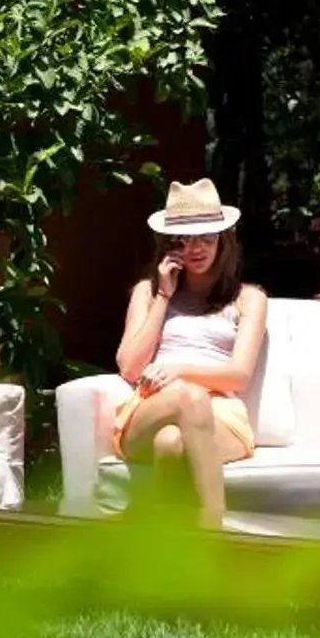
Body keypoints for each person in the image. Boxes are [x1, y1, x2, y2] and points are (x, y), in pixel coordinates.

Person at [111, 179, 268, 527]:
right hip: (152, 406)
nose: (196, 247)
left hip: (221, 417)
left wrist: (180, 371)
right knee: (187, 398)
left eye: (207, 237)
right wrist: (164, 297)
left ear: (222, 241)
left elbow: (239, 376)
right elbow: (129, 366)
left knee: (171, 443)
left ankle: (158, 544)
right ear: (170, 244)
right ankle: (214, 526)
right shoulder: (147, 293)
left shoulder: (248, 299)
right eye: (184, 238)